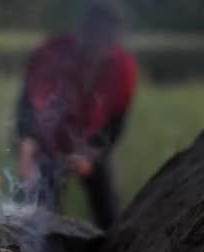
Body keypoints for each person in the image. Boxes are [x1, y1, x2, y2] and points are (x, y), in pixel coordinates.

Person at [14, 2, 137, 231]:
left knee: (108, 211)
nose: (95, 50)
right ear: (81, 31)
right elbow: (28, 102)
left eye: (103, 43)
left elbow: (116, 122)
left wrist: (92, 156)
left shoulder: (123, 67)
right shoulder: (52, 52)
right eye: (91, 39)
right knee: (40, 215)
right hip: (46, 144)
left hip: (90, 146)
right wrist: (27, 145)